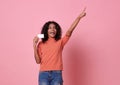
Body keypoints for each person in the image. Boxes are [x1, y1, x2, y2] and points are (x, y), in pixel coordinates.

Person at [33, 8, 86, 85]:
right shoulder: (41, 43)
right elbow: (38, 61)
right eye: (50, 28)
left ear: (57, 30)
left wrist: (79, 17)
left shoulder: (60, 42)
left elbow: (69, 31)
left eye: (55, 28)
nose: (53, 29)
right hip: (43, 74)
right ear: (46, 30)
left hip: (56, 74)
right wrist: (34, 46)